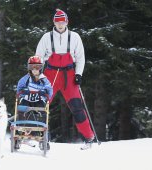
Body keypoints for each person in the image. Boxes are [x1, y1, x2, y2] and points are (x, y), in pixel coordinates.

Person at [35, 9, 94, 149]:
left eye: (62, 22)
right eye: (57, 22)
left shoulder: (75, 37)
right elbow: (38, 56)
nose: (60, 24)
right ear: (54, 22)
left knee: (77, 107)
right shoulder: (46, 37)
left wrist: (78, 74)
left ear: (67, 22)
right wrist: (37, 73)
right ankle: (40, 138)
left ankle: (89, 138)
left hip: (69, 76)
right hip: (50, 74)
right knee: (41, 105)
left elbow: (80, 58)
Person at [15, 55, 53, 150]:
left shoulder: (44, 80)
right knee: (21, 110)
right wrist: (23, 93)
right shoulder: (25, 79)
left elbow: (50, 91)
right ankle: (19, 132)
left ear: (41, 68)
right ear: (29, 68)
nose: (35, 69)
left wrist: (45, 95)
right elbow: (19, 89)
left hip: (38, 100)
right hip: (27, 99)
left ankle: (43, 136)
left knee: (43, 113)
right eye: (32, 67)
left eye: (37, 67)